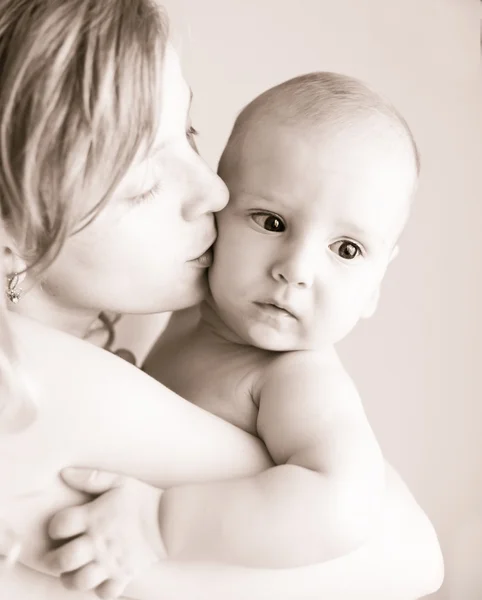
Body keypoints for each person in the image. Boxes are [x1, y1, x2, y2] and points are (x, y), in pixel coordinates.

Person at [0, 1, 443, 599]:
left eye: (188, 132)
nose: (213, 189)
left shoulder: (296, 377)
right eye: (145, 179)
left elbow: (355, 514)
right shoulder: (37, 373)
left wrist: (160, 524)